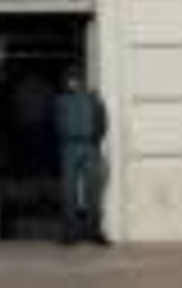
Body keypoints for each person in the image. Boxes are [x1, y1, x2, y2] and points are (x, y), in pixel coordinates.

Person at [54, 69, 108, 245]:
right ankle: (70, 233)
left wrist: (94, 139)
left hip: (88, 145)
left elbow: (102, 122)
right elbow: (56, 123)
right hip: (70, 145)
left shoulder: (93, 99)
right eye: (69, 80)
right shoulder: (61, 100)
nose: (71, 83)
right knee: (69, 191)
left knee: (93, 190)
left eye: (74, 80)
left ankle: (94, 231)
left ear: (81, 82)